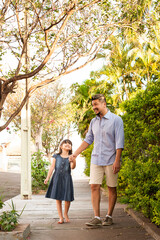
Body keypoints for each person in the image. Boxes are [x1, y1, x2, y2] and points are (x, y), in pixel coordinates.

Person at [69, 94, 124, 227]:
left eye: (96, 105)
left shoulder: (116, 120)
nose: (94, 107)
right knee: (94, 186)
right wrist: (75, 154)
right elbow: (88, 140)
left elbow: (119, 142)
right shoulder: (93, 122)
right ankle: (97, 217)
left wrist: (117, 160)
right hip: (96, 159)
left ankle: (109, 216)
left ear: (103, 104)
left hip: (111, 159)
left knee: (111, 188)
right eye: (93, 105)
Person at [44, 139, 76, 224]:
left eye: (70, 143)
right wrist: (48, 177)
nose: (68, 144)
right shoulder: (56, 156)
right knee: (58, 198)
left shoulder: (71, 156)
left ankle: (66, 214)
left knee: (67, 198)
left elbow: (72, 167)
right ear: (61, 146)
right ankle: (61, 217)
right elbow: (52, 167)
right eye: (65, 143)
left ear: (71, 147)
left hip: (67, 178)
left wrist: (73, 160)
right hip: (57, 178)